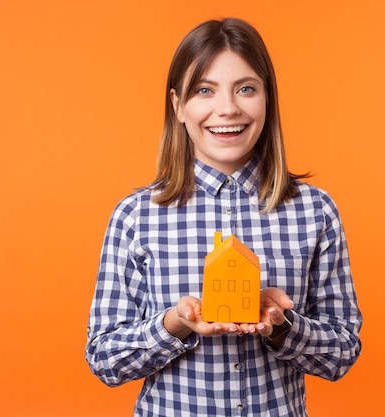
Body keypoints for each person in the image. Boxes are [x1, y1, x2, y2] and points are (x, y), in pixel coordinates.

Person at [85, 17, 362, 417]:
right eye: (204, 90)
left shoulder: (314, 211)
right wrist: (174, 324)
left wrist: (283, 326)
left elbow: (342, 353)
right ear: (179, 105)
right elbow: (104, 360)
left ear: (267, 99)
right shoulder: (136, 216)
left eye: (246, 89)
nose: (228, 108)